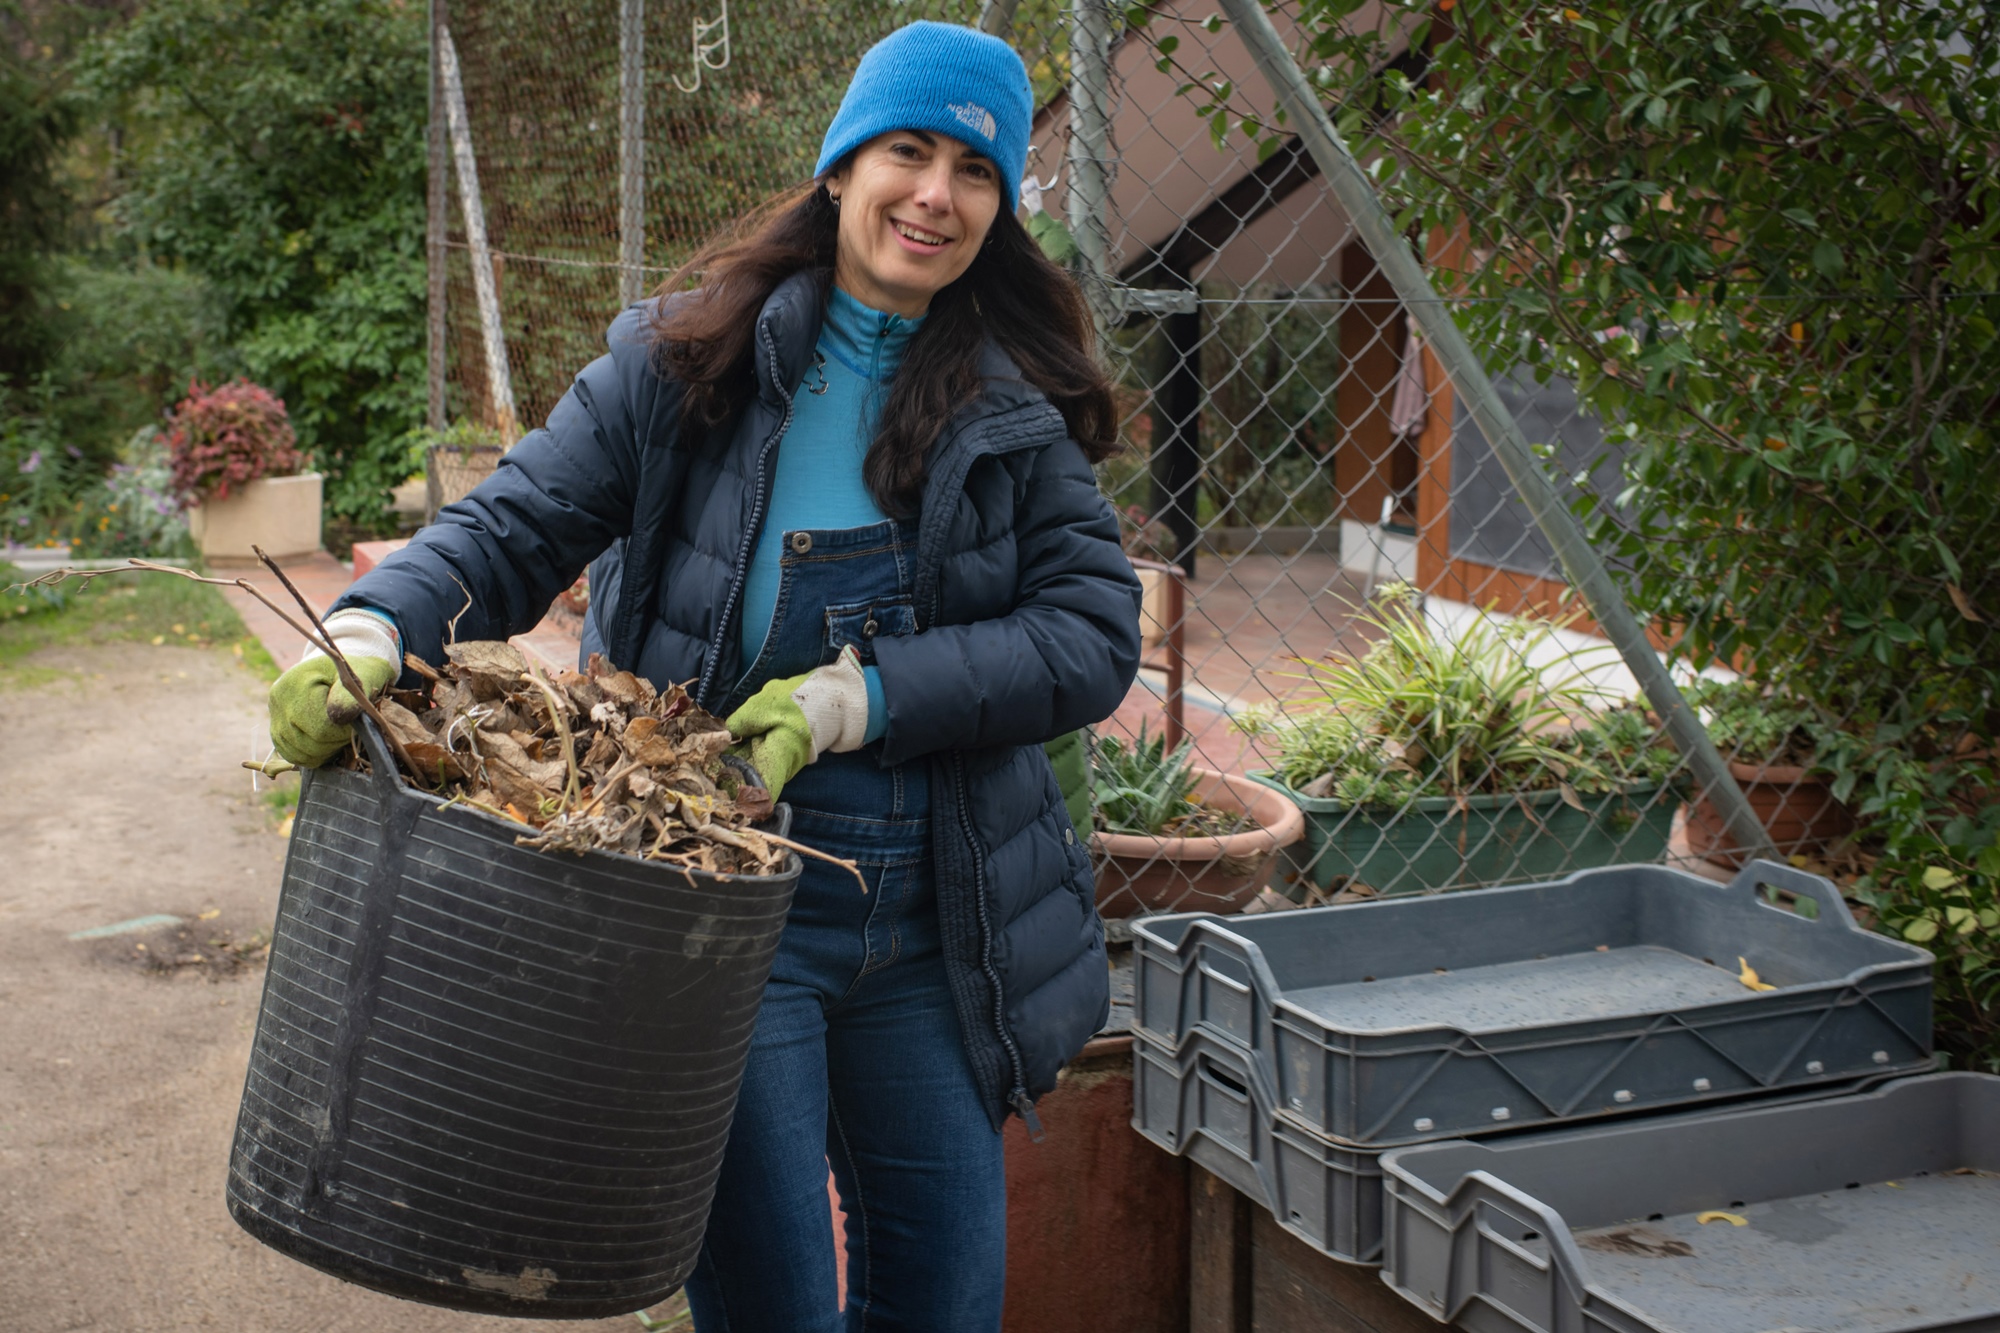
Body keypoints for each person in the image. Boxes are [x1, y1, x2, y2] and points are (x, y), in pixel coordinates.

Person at [264, 20, 1141, 1331]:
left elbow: (1089, 633)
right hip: (715, 901)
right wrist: (376, 628)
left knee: (947, 1299)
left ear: (1001, 209)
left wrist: (862, 697)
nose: (936, 195)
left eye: (975, 170)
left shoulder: (1013, 412)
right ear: (842, 166)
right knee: (775, 1308)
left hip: (931, 921)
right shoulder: (686, 361)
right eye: (909, 150)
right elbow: (514, 524)